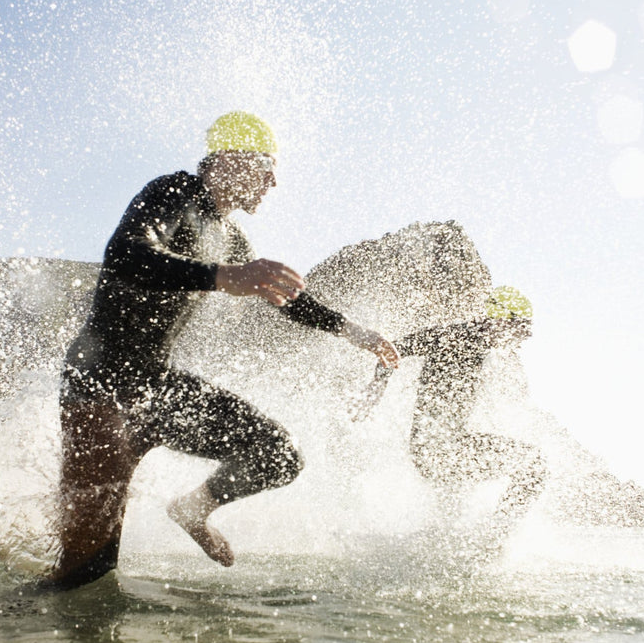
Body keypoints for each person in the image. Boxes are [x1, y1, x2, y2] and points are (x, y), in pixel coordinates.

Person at [48, 112, 399, 588]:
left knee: (277, 453)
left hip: (156, 388)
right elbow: (126, 253)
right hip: (101, 385)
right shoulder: (173, 191)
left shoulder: (230, 236)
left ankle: (194, 509)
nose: (273, 182)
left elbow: (287, 300)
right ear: (230, 161)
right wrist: (220, 277)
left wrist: (353, 331)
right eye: (265, 166)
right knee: (87, 572)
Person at [351, 286, 546, 519]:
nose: (527, 335)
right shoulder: (456, 335)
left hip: (445, 447)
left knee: (453, 521)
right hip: (437, 451)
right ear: (501, 320)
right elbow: (393, 349)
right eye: (522, 326)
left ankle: (482, 540)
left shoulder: (483, 346)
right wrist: (376, 388)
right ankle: (496, 537)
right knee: (534, 465)